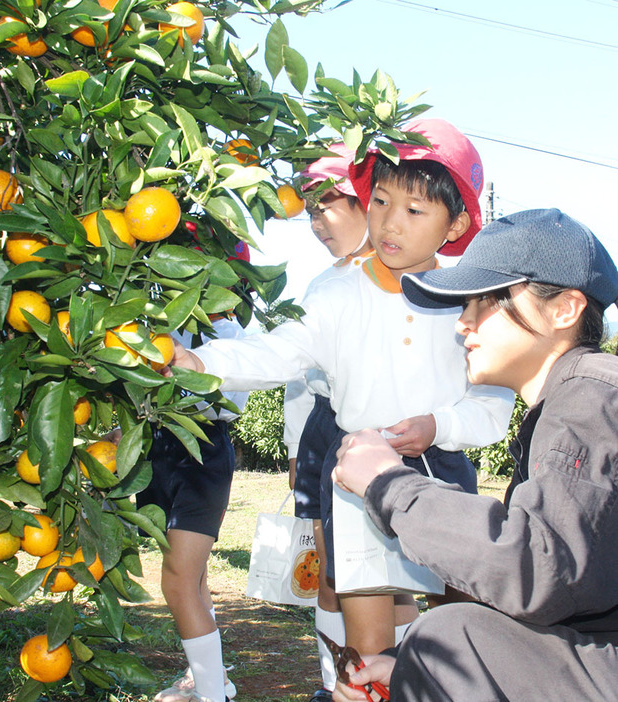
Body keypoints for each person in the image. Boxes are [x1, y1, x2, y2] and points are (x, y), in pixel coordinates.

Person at [169, 119, 514, 658]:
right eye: (378, 201)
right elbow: (278, 351)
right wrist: (197, 360)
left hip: (442, 472)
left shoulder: (468, 302)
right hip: (358, 475)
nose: (388, 223)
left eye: (414, 210)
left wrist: (439, 426)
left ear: (456, 224)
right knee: (369, 644)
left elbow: (494, 401)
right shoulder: (337, 295)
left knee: (457, 631)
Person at [332, 208, 618, 701]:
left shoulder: (589, 399)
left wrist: (388, 483)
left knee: (445, 635)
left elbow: (535, 568)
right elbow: (571, 594)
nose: (463, 322)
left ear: (565, 309)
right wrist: (407, 667)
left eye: (486, 301)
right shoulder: (569, 402)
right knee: (441, 646)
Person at [284, 144, 372, 702]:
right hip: (322, 425)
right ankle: (331, 683)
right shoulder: (322, 284)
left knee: (379, 576)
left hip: (366, 427)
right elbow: (298, 370)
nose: (317, 223)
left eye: (329, 206)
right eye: (311, 211)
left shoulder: (388, 277)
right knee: (329, 572)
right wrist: (297, 445)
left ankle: (381, 680)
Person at [141, 316, 249, 702]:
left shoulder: (231, 332)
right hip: (159, 447)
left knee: (177, 579)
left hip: (202, 447)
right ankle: (210, 678)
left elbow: (228, 401)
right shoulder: (160, 323)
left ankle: (211, 694)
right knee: (193, 574)